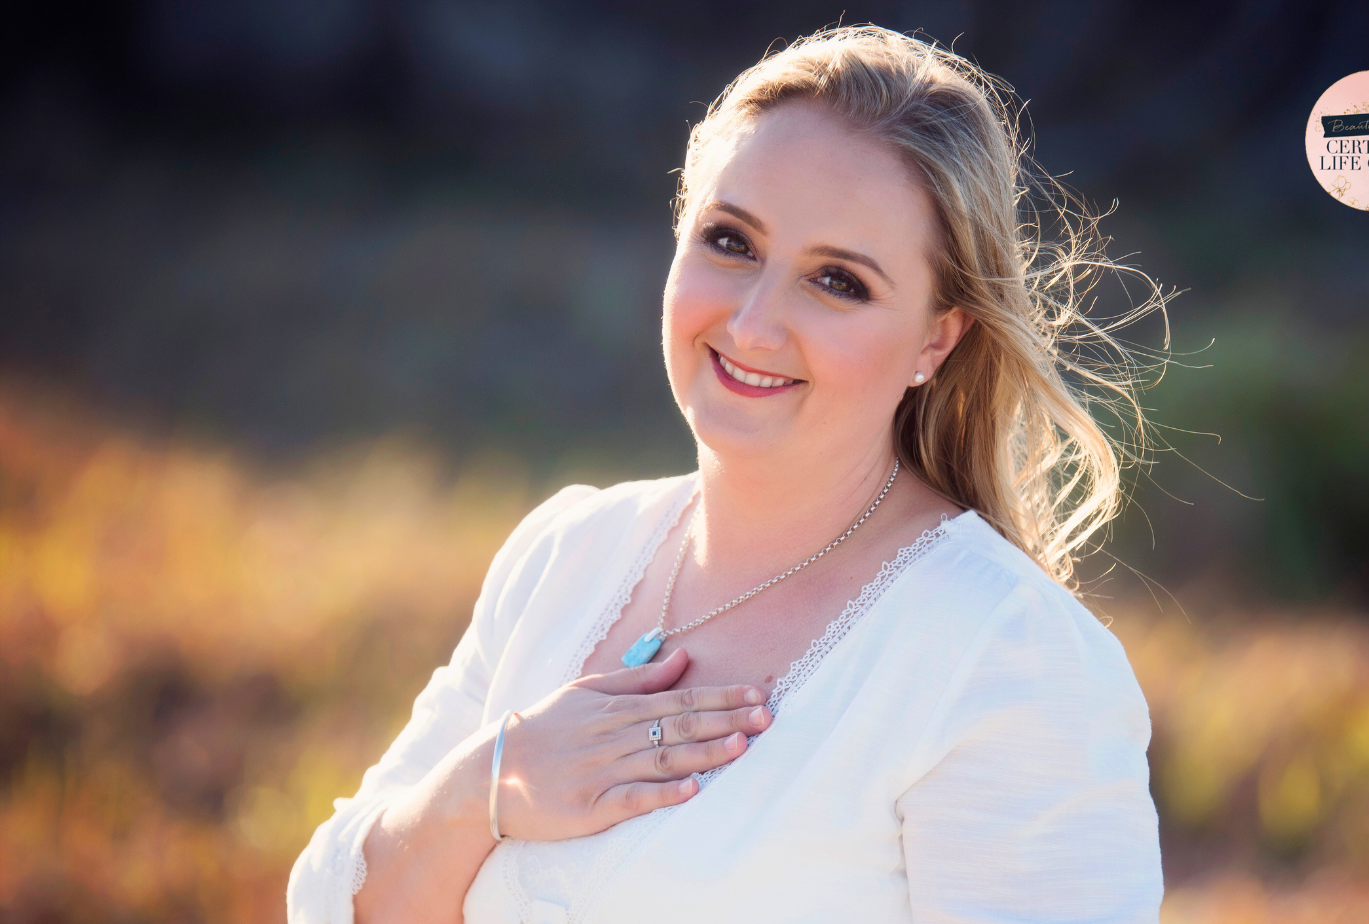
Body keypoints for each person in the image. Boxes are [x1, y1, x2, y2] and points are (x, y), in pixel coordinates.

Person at [289, 25, 1165, 924]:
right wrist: (488, 786)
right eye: (731, 241)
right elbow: (332, 905)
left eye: (838, 282)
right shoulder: (566, 553)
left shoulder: (1009, 657)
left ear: (935, 341)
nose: (751, 325)